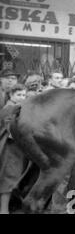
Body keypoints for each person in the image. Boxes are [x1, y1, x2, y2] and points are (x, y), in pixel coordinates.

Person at [0, 84, 27, 214]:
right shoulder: (10, 108)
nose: (22, 97)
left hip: (15, 149)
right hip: (8, 148)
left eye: (24, 95)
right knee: (8, 178)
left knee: (11, 178)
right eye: (19, 95)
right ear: (11, 95)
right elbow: (11, 130)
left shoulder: (16, 107)